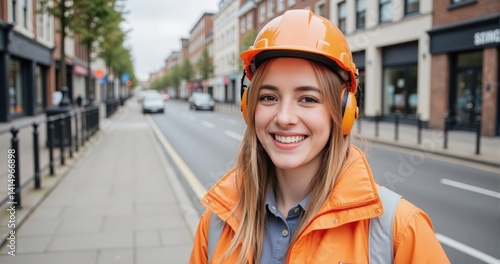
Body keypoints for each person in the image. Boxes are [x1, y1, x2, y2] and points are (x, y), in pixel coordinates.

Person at [189, 10, 449, 264]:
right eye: (269, 97)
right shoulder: (216, 222)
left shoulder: (400, 231)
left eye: (308, 99)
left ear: (344, 112)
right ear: (248, 107)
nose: (285, 117)